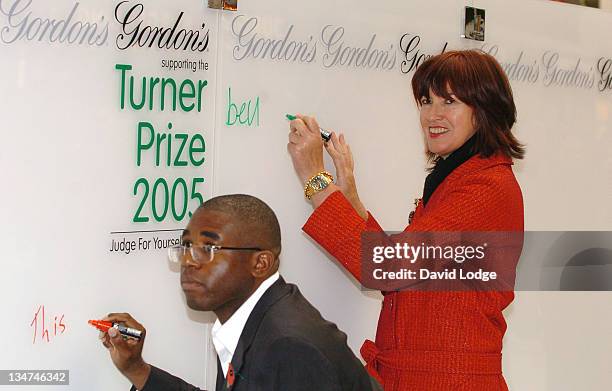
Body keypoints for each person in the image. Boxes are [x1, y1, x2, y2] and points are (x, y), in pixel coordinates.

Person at [287, 50, 525, 390]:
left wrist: (315, 177)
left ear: (484, 110)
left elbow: (390, 268)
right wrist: (348, 194)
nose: (432, 115)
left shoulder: (485, 187)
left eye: (450, 102)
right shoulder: (458, 176)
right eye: (426, 101)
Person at [98, 194, 380, 391]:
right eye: (186, 247)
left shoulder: (290, 348)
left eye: (208, 249)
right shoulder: (258, 315)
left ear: (260, 263)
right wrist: (137, 369)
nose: (189, 261)